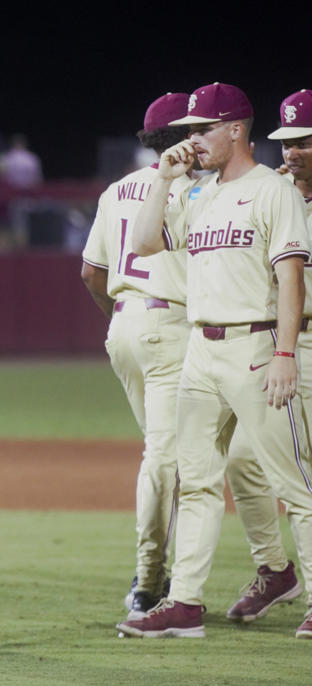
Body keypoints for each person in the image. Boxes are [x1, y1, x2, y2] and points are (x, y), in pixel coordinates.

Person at [116, 82, 312, 639]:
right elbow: (146, 242)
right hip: (200, 348)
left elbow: (290, 277)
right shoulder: (197, 192)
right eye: (189, 131)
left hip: (256, 345)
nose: (192, 139)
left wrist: (282, 352)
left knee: (293, 482)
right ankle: (183, 603)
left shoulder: (272, 191)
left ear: (235, 130)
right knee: (197, 479)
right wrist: (163, 178)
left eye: (202, 129)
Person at [81, 92, 190, 617]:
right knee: (166, 460)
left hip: (126, 325)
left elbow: (90, 274)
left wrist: (123, 320)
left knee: (169, 452)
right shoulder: (195, 185)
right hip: (172, 325)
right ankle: (149, 580)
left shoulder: (117, 189)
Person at [221, 89, 312, 637]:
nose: (294, 150)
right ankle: (276, 570)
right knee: (242, 460)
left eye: (305, 140)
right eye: (288, 141)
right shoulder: (277, 195)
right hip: (283, 346)